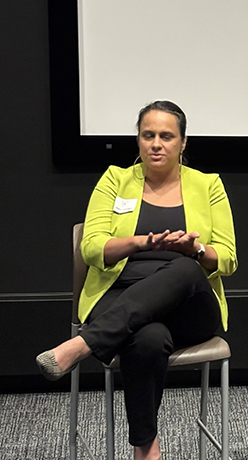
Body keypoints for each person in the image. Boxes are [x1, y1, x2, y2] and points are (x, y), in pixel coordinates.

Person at [36, 100, 237, 460]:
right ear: (138, 140)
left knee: (186, 268)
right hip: (119, 293)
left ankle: (84, 344)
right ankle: (146, 449)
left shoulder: (208, 186)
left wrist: (195, 249)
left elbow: (228, 258)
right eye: (148, 135)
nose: (156, 144)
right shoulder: (115, 179)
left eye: (166, 136)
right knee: (147, 336)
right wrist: (142, 242)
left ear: (183, 142)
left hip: (190, 305)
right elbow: (92, 247)